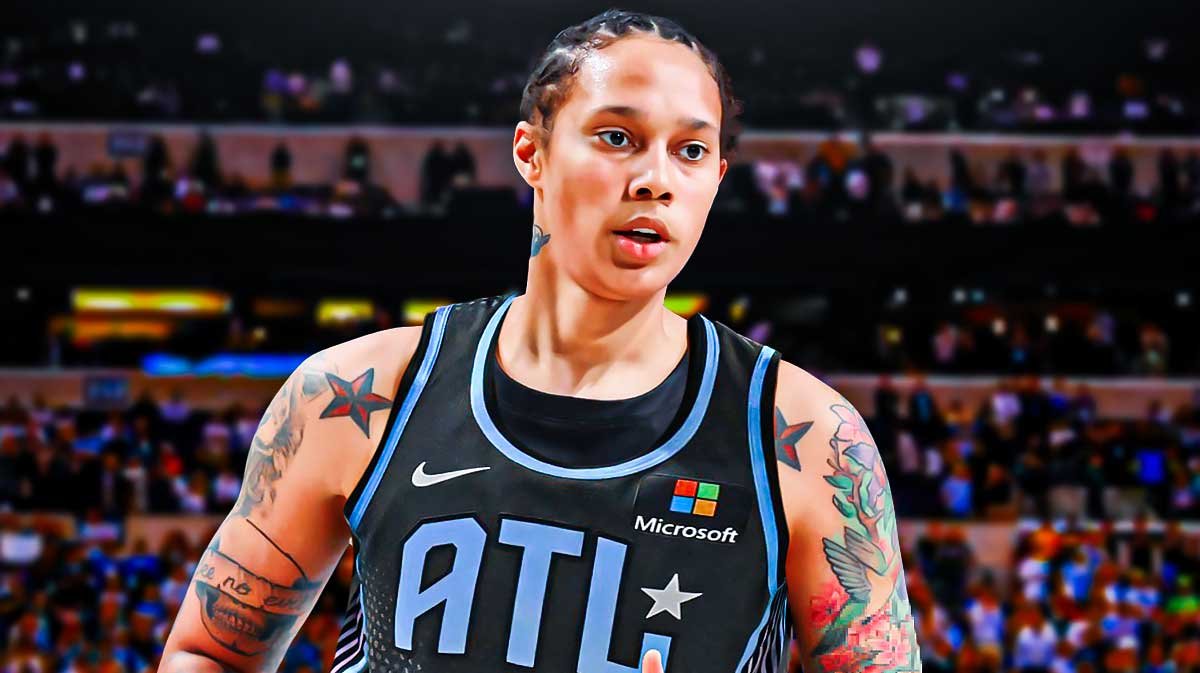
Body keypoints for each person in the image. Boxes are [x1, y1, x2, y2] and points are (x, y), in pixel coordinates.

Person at [159, 10, 919, 673]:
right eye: (617, 137)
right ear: (532, 153)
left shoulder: (805, 440)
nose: (656, 179)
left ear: (718, 177)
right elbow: (210, 652)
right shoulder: (359, 395)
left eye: (690, 151)